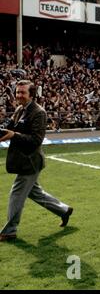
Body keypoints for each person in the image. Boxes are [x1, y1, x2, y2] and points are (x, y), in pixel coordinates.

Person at [0, 80, 73, 242]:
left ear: (31, 95)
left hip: (31, 161)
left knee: (16, 193)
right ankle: (64, 210)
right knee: (36, 193)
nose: (18, 95)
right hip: (22, 160)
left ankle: (10, 230)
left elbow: (36, 140)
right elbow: (9, 125)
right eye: (17, 92)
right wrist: (3, 131)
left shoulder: (39, 113)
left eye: (22, 93)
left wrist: (13, 135)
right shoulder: (19, 109)